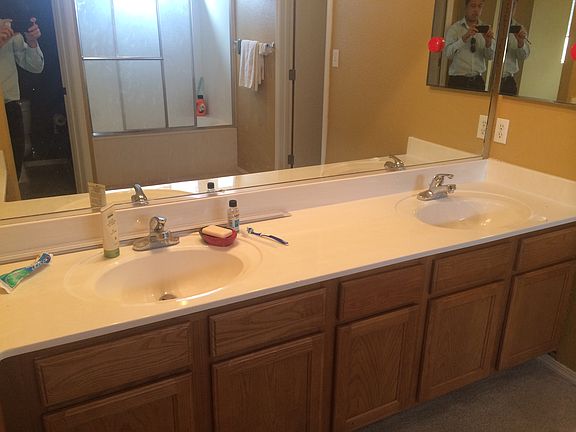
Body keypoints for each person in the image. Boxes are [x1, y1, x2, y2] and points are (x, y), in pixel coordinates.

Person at [0, 16, 44, 180]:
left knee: (13, 168)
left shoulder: (6, 25)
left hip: (10, 107)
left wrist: (32, 42)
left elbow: (35, 66)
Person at [444, 0, 495, 91]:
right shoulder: (455, 29)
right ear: (466, 7)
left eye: (480, 6)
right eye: (473, 6)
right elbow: (448, 53)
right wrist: (464, 38)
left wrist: (488, 42)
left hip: (478, 81)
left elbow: (490, 56)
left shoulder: (486, 30)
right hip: (457, 80)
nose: (476, 10)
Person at [500, 0, 530, 95]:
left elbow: (523, 56)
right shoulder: (493, 25)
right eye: (508, 4)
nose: (510, 8)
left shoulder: (519, 29)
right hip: (491, 78)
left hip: (508, 81)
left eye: (513, 5)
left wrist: (520, 42)